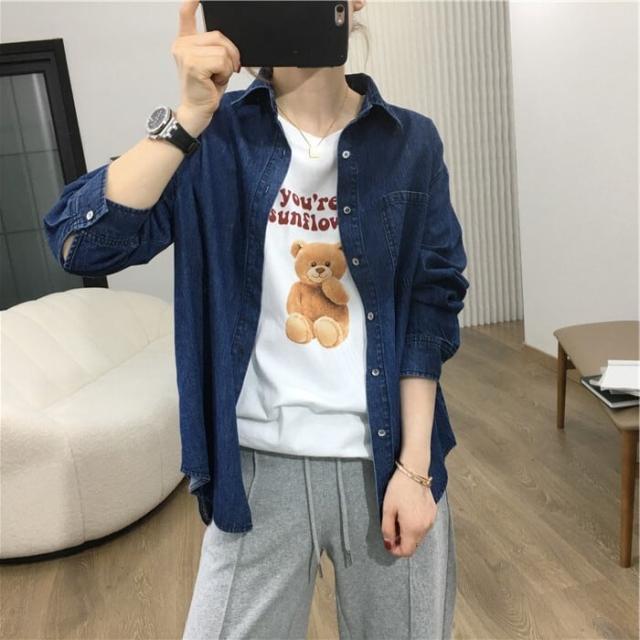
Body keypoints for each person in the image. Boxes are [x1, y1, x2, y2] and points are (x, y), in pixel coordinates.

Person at [43, 0, 470, 637]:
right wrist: (188, 116)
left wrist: (414, 469)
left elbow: (429, 312)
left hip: (385, 463)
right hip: (256, 471)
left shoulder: (411, 142)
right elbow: (79, 244)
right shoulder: (213, 140)